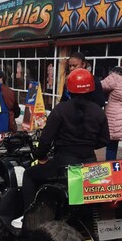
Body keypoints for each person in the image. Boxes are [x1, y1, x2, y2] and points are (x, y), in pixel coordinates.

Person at [12, 68, 110, 228]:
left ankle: (28, 217)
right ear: (91, 88)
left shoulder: (60, 110)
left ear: (69, 88)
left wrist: (39, 155)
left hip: (63, 165)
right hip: (89, 165)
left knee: (29, 174)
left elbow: (45, 141)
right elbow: (104, 140)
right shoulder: (98, 111)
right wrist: (88, 146)